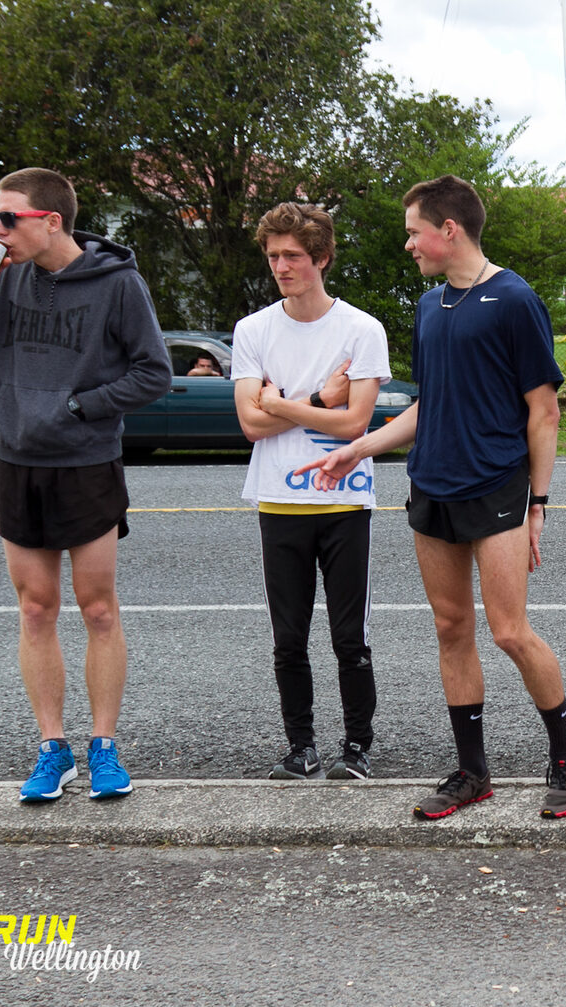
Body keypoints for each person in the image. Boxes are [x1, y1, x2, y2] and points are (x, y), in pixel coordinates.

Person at [300, 174, 566, 820]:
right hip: (431, 488)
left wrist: (538, 502)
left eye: (413, 232)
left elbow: (544, 412)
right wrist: (361, 446)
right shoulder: (431, 307)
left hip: (496, 487)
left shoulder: (514, 300)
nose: (409, 244)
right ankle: (472, 771)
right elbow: (429, 407)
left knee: (510, 631)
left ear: (448, 230)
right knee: (451, 628)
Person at [0, 168, 171, 802]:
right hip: (17, 462)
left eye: (8, 218)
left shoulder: (119, 283)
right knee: (35, 608)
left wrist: (79, 408)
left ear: (50, 221)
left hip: (85, 462)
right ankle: (53, 748)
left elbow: (152, 372)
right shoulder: (2, 276)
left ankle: (105, 746)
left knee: (98, 609)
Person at [232, 202, 390, 782]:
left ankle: (356, 748)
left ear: (320, 257)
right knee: (288, 639)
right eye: (273, 256)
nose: (281, 266)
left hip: (345, 499)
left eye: (293, 255)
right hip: (278, 499)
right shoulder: (253, 330)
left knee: (351, 637)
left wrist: (280, 402)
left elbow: (357, 426)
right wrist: (321, 401)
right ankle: (300, 748)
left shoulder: (361, 329)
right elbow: (250, 425)